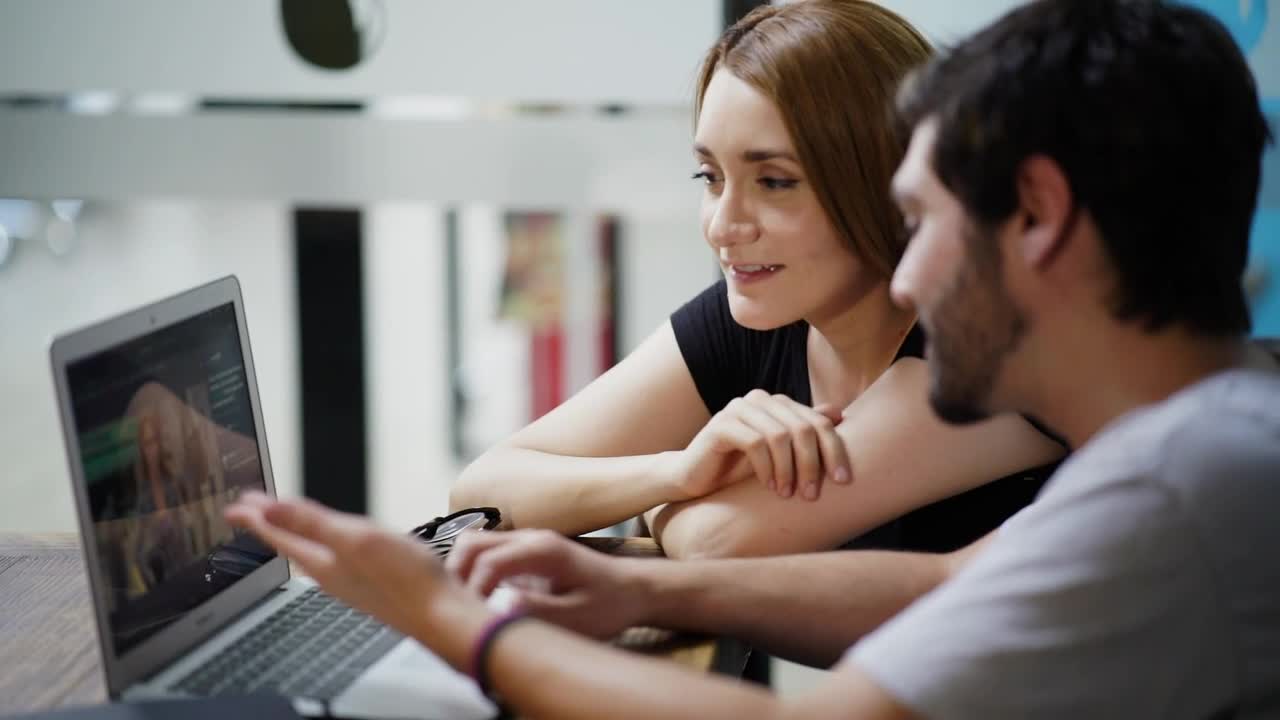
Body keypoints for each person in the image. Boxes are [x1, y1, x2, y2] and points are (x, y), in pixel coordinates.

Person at [228, 0, 1280, 716]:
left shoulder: (1182, 486)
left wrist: (443, 616)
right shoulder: (1197, 446)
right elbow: (948, 583)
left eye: (923, 221)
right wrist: (647, 590)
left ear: (1038, 217)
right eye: (707, 177)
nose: (908, 278)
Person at [450, 0, 1065, 560]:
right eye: (710, 178)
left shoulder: (971, 346)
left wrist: (659, 507)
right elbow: (480, 497)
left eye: (774, 182)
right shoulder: (756, 311)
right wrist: (678, 473)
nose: (724, 225)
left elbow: (718, 541)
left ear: (886, 180)